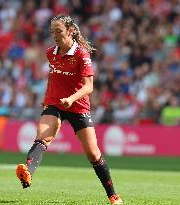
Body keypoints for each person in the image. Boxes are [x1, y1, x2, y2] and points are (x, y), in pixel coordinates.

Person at [16, 14, 123, 205]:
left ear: (70, 31)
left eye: (59, 31)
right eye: (52, 32)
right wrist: (47, 97)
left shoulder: (82, 54)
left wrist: (71, 99)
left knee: (93, 153)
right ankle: (28, 173)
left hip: (78, 106)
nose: (55, 35)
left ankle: (113, 195)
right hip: (55, 103)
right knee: (43, 136)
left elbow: (89, 86)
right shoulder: (51, 52)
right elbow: (52, 76)